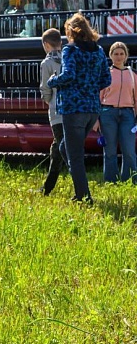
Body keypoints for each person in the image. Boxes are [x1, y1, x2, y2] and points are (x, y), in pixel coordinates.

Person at [48, 13, 111, 204]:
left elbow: (68, 75)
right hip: (92, 109)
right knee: (64, 147)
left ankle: (84, 197)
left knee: (74, 156)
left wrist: (52, 81)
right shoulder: (99, 51)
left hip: (73, 109)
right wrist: (89, 87)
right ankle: (80, 181)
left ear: (71, 31)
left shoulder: (70, 50)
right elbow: (106, 79)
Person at [96, 42, 137, 184]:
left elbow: (136, 98)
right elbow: (98, 98)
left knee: (129, 150)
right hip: (107, 113)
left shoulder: (133, 75)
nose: (118, 57)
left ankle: (130, 180)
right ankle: (110, 181)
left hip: (128, 115)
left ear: (126, 56)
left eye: (121, 54)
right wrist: (96, 119)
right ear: (110, 56)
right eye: (115, 54)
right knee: (110, 150)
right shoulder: (105, 74)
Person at [38, 28, 64, 195]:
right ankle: (48, 186)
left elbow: (46, 88)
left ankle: (81, 184)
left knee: (62, 148)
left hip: (57, 110)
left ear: (46, 45)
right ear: (60, 43)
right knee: (59, 146)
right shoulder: (69, 58)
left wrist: (48, 101)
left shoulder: (46, 63)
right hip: (73, 110)